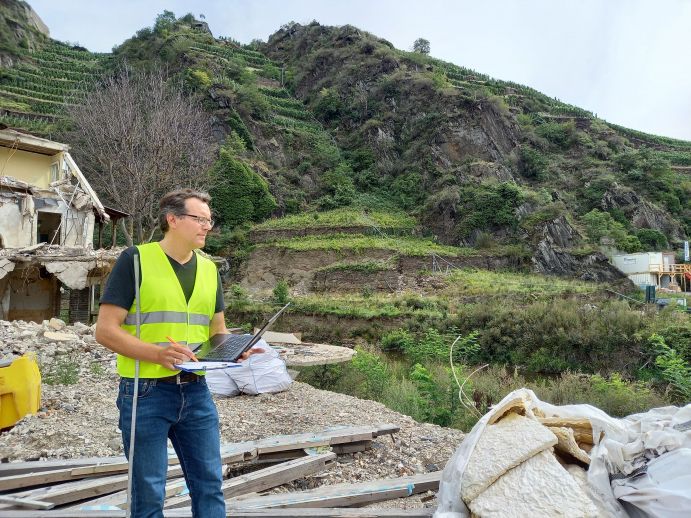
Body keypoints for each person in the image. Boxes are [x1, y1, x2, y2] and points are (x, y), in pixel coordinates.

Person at [95, 189, 259, 517]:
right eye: (199, 219)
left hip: (196, 391)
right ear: (173, 219)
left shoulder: (210, 269)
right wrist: (157, 354)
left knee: (209, 483)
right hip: (145, 391)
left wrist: (232, 349)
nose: (207, 226)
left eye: (209, 221)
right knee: (148, 491)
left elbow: (217, 331)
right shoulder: (136, 261)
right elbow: (105, 330)